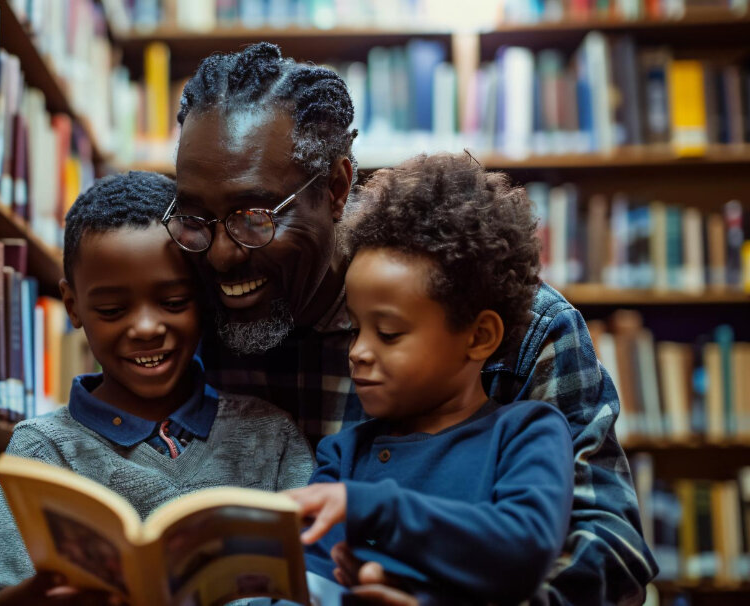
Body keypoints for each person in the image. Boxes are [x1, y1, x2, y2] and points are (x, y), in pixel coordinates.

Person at [164, 42, 657, 604]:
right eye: (197, 217)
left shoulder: (525, 327)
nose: (222, 255)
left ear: (335, 189)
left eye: (253, 218)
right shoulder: (187, 314)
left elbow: (609, 557)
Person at [0, 171, 314, 606]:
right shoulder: (43, 451)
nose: (146, 328)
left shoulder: (269, 436)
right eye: (112, 310)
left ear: (203, 295)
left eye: (173, 303)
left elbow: (315, 576)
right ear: (73, 306)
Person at [286, 153, 575, 604]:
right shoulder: (343, 454)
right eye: (355, 327)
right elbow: (308, 580)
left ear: (479, 336)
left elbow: (524, 549)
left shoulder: (526, 434)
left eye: (388, 333)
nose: (359, 352)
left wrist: (371, 509)